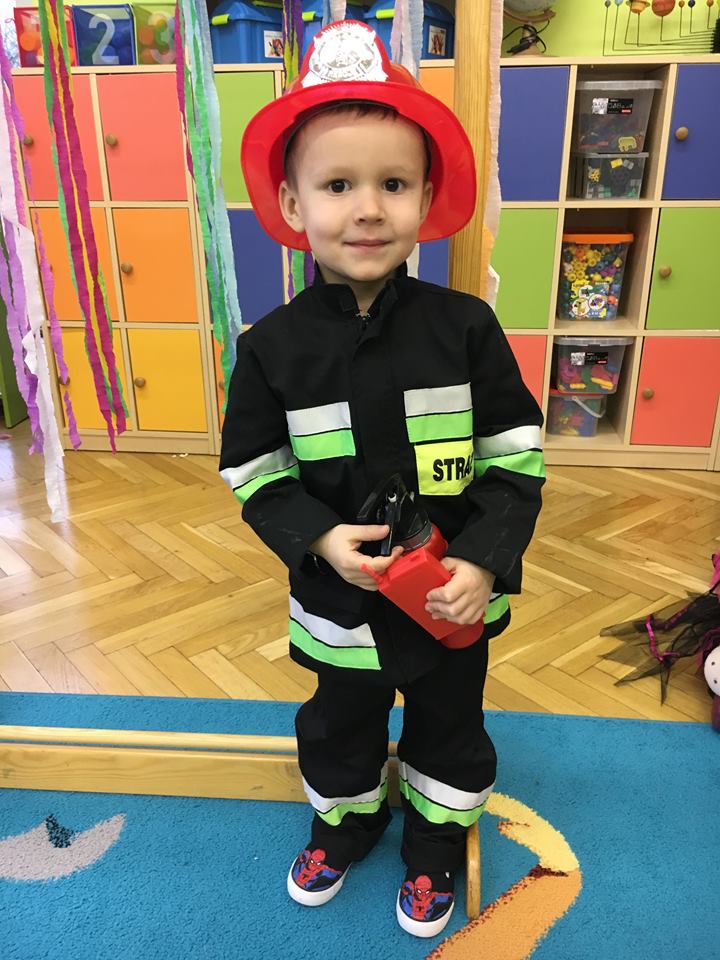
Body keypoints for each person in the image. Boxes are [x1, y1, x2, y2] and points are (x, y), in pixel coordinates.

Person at [220, 19, 545, 939]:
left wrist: (483, 559)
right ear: (291, 203)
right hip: (340, 602)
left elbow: (515, 455)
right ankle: (346, 821)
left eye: (393, 185)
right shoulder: (270, 350)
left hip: (451, 599)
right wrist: (319, 537)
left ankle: (435, 838)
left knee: (451, 722)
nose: (367, 209)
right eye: (338, 186)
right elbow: (254, 470)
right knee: (338, 721)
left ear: (425, 198)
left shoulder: (467, 328)